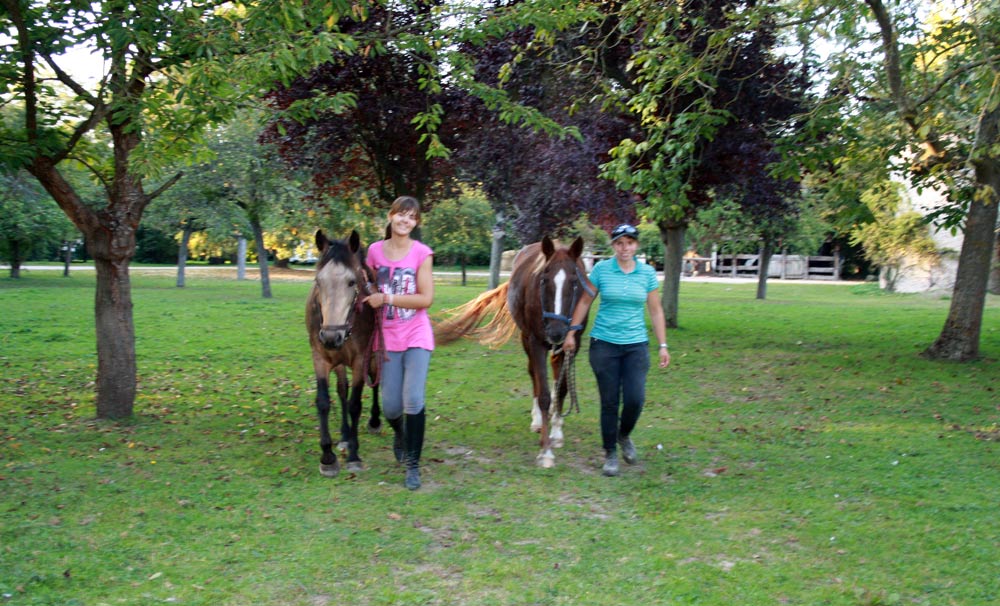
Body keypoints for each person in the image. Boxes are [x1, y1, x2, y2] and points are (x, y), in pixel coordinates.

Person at [563, 223, 670, 477]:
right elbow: (586, 300)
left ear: (636, 245)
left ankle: (624, 435)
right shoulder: (601, 270)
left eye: (630, 243)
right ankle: (610, 453)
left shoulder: (646, 273)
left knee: (635, 398)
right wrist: (571, 332)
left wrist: (663, 345)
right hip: (604, 345)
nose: (625, 248)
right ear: (613, 246)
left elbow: (655, 310)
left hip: (636, 346)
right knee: (610, 401)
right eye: (620, 243)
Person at [364, 196, 435, 490]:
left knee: (413, 400)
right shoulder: (374, 251)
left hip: (416, 334)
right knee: (391, 407)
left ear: (416, 223)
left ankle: (413, 465)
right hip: (386, 337)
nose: (406, 221)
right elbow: (366, 284)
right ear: (391, 216)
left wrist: (388, 298)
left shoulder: (421, 253)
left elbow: (425, 298)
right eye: (401, 215)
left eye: (412, 217)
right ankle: (400, 434)